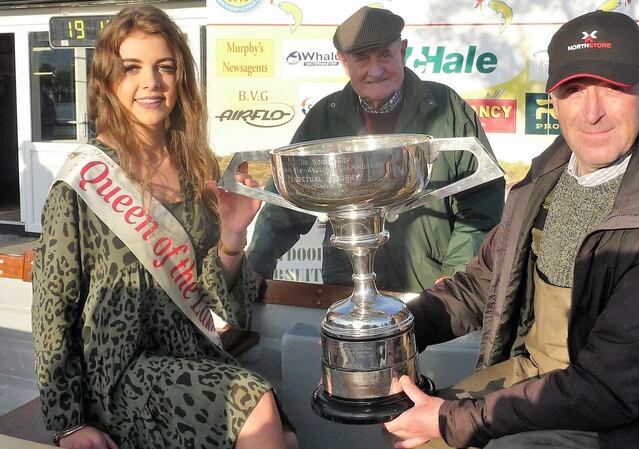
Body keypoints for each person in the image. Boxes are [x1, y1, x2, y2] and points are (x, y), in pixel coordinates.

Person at [384, 10, 639, 449]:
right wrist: (393, 332)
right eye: (574, 90)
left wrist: (451, 419)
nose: (593, 112)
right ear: (554, 102)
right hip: (546, 375)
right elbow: (480, 286)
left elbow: (609, 389)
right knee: (410, 432)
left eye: (614, 88)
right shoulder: (542, 183)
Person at [32, 6, 295, 449]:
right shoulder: (82, 181)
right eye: (132, 68)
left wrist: (232, 237)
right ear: (107, 81)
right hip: (118, 375)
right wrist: (68, 423)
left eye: (165, 67)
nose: (151, 82)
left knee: (283, 437)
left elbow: (216, 301)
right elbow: (52, 310)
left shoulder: (198, 169)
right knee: (255, 404)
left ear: (181, 79)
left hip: (194, 353)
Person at [248, 6, 505, 294]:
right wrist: (255, 266)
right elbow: (285, 206)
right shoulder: (325, 118)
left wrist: (456, 275)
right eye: (362, 59)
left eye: (385, 55)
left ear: (403, 50)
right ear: (344, 62)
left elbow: (483, 202)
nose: (376, 70)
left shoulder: (447, 107)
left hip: (432, 291)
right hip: (346, 287)